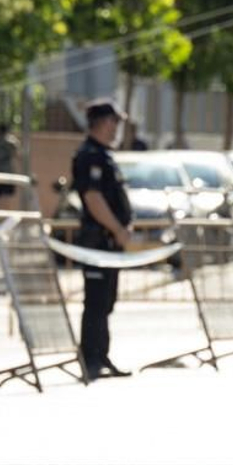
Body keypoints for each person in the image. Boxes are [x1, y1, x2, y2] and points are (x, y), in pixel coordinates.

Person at [72, 99, 136, 381]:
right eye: (114, 121)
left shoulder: (104, 155)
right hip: (97, 241)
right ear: (102, 121)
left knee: (106, 301)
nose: (117, 128)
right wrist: (117, 228)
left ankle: (101, 355)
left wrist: (124, 227)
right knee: (95, 301)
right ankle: (91, 359)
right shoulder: (89, 155)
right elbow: (93, 198)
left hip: (110, 242)